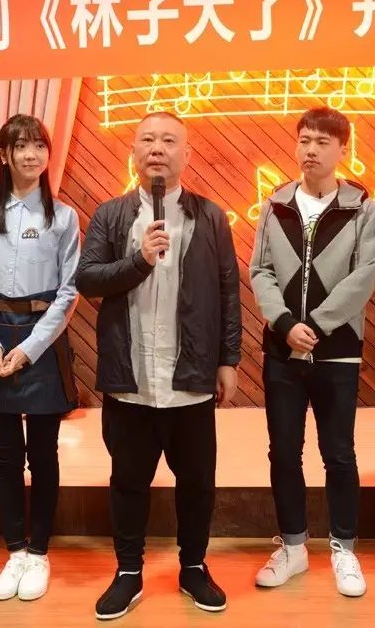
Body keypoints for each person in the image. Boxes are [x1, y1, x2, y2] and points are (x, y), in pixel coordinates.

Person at [76, 111, 241, 620]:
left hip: (190, 379)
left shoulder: (211, 216)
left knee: (197, 483)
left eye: (169, 141)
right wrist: (140, 260)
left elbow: (228, 291)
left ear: (186, 155)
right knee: (128, 482)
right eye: (147, 139)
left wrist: (229, 359)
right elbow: (88, 279)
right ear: (132, 152)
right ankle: (128, 572)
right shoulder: (111, 215)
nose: (157, 148)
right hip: (131, 381)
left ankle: (193, 567)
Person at [248, 106, 375, 597]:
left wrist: (317, 325)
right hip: (282, 350)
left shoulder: (361, 207)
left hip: (336, 350)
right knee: (283, 452)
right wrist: (285, 325)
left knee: (338, 453)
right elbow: (259, 270)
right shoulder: (275, 204)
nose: (311, 150)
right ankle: (294, 547)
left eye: (323, 141)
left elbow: (365, 274)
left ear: (343, 149)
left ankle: (344, 548)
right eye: (304, 139)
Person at [0, 114, 80, 602]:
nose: (31, 155)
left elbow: (68, 294)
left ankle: (40, 552)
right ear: (3, 156)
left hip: (42, 339)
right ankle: (14, 551)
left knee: (43, 454)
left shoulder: (63, 217)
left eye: (39, 146)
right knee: (5, 455)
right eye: (21, 146)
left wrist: (27, 350)